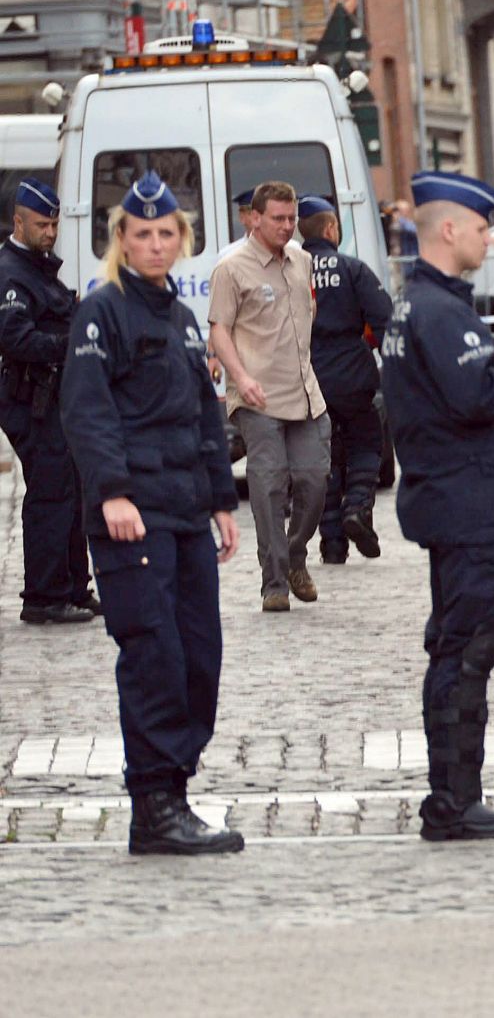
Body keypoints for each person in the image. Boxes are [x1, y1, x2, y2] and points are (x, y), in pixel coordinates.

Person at [59, 171, 246, 855]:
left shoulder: (181, 316)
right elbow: (86, 411)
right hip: (130, 517)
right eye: (142, 234)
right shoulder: (101, 312)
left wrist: (222, 501)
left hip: (184, 511)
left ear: (183, 240)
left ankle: (177, 789)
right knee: (154, 657)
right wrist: (112, 491)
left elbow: (203, 412)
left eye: (167, 233)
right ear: (122, 241)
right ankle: (154, 806)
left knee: (200, 656)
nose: (155, 244)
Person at [380, 170, 494, 842]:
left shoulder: (419, 305)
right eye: (477, 227)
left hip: (453, 500)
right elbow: (474, 397)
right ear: (447, 230)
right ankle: (454, 801)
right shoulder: (440, 312)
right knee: (466, 652)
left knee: (455, 647)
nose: (486, 239)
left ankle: (453, 795)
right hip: (468, 504)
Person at [207, 181, 330, 613]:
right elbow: (219, 328)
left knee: (314, 480)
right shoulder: (232, 268)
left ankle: (295, 554)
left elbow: (306, 316)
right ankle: (274, 580)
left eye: (292, 218)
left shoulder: (302, 260)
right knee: (269, 484)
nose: (286, 226)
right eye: (277, 219)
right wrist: (238, 375)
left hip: (305, 393)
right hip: (257, 396)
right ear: (255, 218)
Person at [0, 178, 96, 624]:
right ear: (18, 222)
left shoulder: (37, 267)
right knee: (51, 493)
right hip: (29, 397)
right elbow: (17, 339)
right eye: (42, 224)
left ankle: (74, 586)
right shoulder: (11, 273)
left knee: (71, 491)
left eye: (54, 224)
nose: (51, 232)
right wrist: (70, 344)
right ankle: (43, 596)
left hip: (55, 396)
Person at [298, 196, 392, 564]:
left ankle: (332, 542)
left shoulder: (291, 270)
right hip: (352, 374)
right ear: (331, 228)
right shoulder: (352, 268)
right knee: (367, 441)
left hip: (308, 376)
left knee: (324, 458)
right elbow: (383, 319)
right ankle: (357, 507)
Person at [218, 187, 258, 259]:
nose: (260, 219)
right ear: (242, 217)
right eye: (253, 213)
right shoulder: (228, 255)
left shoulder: (283, 252)